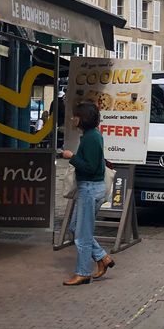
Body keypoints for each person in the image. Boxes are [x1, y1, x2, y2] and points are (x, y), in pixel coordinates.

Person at [60, 101, 114, 287]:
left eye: (75, 116)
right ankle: (102, 257)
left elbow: (90, 167)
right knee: (75, 227)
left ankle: (83, 272)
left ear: (82, 118)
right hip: (91, 188)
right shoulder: (92, 136)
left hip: (90, 189)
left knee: (82, 235)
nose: (72, 119)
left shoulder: (91, 138)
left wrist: (71, 157)